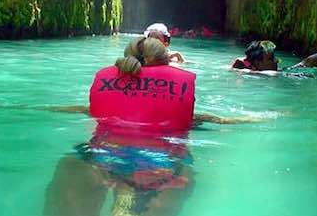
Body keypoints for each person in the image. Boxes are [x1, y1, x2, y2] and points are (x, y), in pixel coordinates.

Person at [43, 36, 249, 216]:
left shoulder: (96, 104)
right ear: (165, 64)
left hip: (101, 158)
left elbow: (70, 110)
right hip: (162, 167)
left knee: (73, 166)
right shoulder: (194, 116)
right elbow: (225, 121)